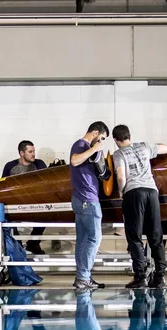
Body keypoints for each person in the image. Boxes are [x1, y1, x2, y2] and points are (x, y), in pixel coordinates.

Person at [112, 124, 167, 289]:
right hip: (152, 192)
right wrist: (154, 146)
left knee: (135, 236)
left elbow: (121, 177)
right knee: (155, 236)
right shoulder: (144, 147)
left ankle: (140, 276)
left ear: (116, 140)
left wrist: (121, 191)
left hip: (134, 193)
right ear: (129, 136)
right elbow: (166, 148)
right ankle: (160, 277)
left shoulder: (119, 153)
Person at [69, 121, 111, 291]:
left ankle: (82, 277)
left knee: (83, 240)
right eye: (102, 138)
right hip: (88, 200)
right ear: (95, 133)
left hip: (81, 200)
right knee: (94, 239)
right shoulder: (81, 145)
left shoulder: (84, 148)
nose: (101, 142)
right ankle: (83, 277)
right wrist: (94, 149)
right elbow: (74, 161)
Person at [2, 140, 49, 255]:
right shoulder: (10, 166)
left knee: (46, 215)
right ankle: (17, 245)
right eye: (30, 152)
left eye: (34, 151)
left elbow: (46, 183)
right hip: (15, 203)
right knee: (6, 217)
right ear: (22, 153)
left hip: (35, 202)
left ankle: (33, 243)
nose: (33, 154)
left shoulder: (39, 164)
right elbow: (3, 186)